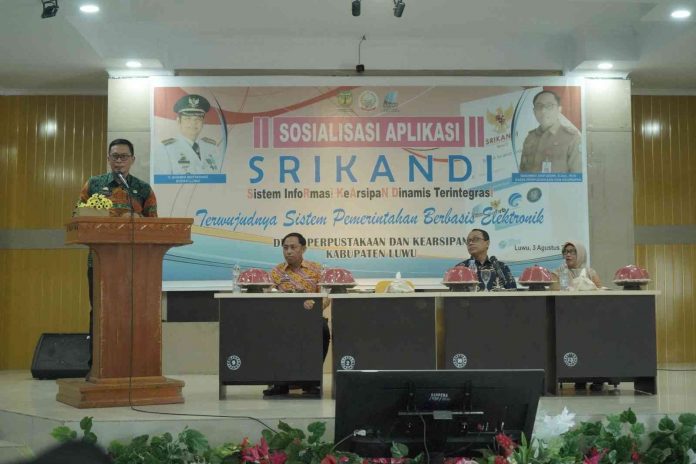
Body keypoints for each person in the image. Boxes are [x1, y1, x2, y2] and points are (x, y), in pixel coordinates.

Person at [79, 138, 157, 377]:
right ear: (108, 159)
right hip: (99, 262)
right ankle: (96, 367)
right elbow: (78, 216)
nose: (119, 161)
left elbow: (155, 226)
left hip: (134, 264)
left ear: (132, 160)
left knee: (132, 312)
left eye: (124, 156)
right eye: (115, 156)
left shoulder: (143, 189)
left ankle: (133, 366)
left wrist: (136, 220)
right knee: (100, 312)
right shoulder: (94, 184)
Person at [264, 232, 330, 397]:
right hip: (283, 318)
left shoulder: (317, 270)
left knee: (323, 330)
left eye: (293, 247)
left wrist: (315, 305)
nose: (289, 251)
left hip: (310, 317)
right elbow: (267, 295)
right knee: (269, 329)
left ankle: (311, 382)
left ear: (303, 249)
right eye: (285, 248)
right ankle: (279, 382)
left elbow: (326, 296)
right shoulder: (276, 272)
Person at [153, 94, 221, 174]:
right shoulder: (166, 149)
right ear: (179, 121)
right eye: (188, 118)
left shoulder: (212, 147)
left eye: (198, 118)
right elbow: (162, 180)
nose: (193, 123)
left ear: (203, 122)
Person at [519, 90, 582, 173]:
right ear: (534, 111)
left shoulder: (572, 138)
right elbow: (522, 173)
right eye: (539, 106)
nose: (543, 111)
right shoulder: (530, 137)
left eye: (549, 106)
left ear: (559, 109)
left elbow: (577, 176)